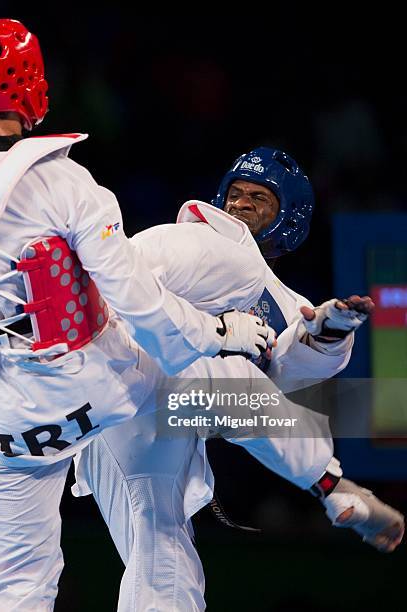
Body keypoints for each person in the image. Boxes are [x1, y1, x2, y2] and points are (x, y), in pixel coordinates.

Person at [0, 20, 276, 611]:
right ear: (30, 84)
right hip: (96, 390)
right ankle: (299, 436)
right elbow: (141, 306)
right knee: (185, 410)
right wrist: (222, 330)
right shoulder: (65, 183)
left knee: (13, 583)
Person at [74, 147, 405, 611]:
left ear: (288, 218)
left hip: (149, 411)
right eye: (236, 193)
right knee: (225, 360)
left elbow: (285, 374)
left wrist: (326, 334)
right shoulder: (194, 238)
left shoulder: (284, 299)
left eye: (259, 198)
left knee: (160, 549)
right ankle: (330, 486)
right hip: (113, 372)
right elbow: (120, 272)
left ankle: (330, 486)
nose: (241, 204)